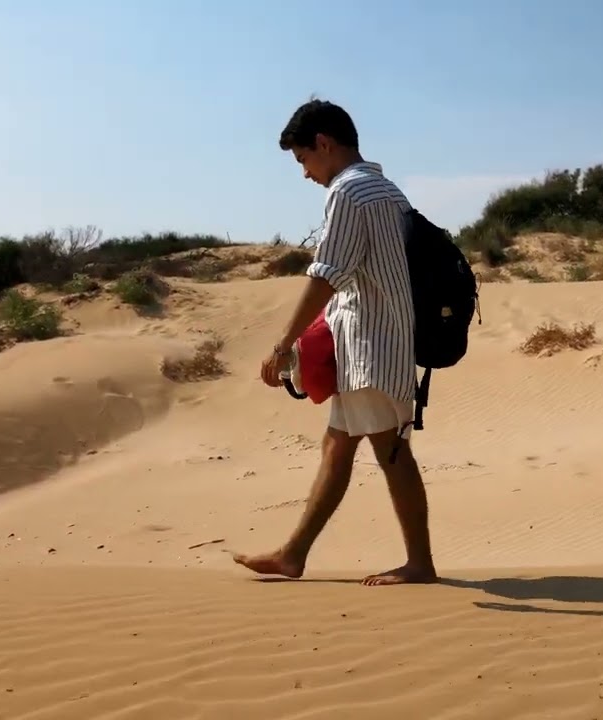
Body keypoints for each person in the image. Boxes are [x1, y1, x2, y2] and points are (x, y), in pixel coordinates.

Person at [231, 98, 437, 586]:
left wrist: (284, 343)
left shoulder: (349, 192)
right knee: (338, 445)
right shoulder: (388, 189)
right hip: (378, 341)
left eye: (303, 159)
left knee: (391, 451)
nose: (305, 173)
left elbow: (326, 274)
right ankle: (293, 553)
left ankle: (420, 564)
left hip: (371, 345)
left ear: (324, 144)